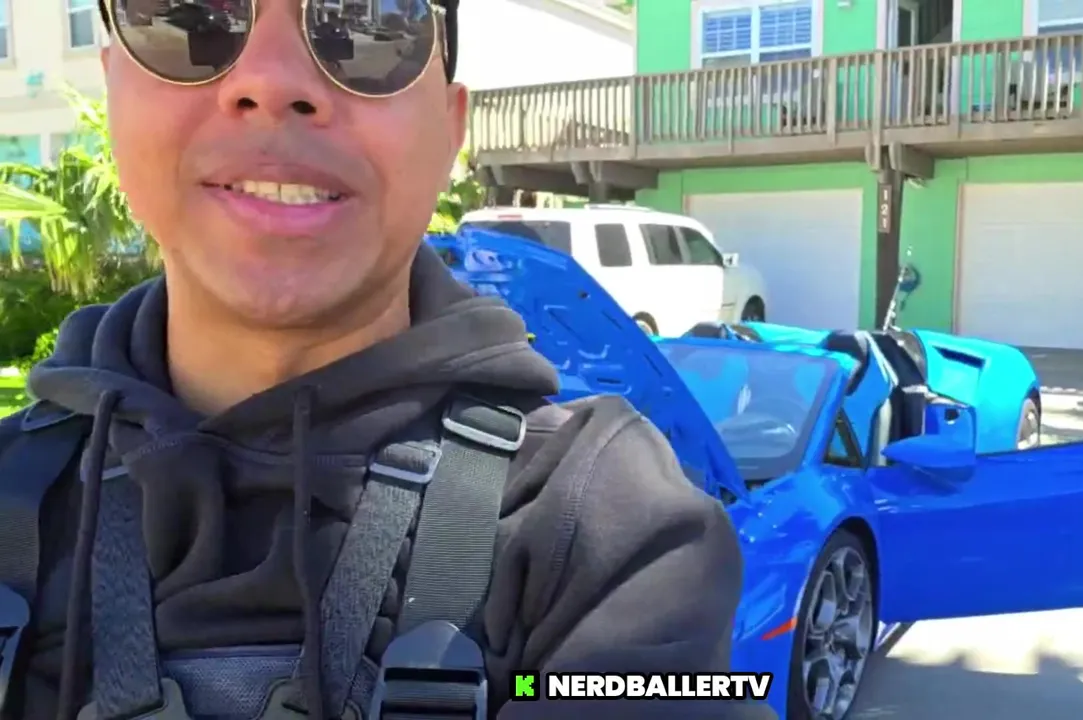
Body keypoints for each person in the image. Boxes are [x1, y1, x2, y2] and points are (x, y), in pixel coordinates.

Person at [0, 0, 779, 719]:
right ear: (114, 84)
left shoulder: (610, 529)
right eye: (188, 14)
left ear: (450, 128)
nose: (272, 82)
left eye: (368, 18)